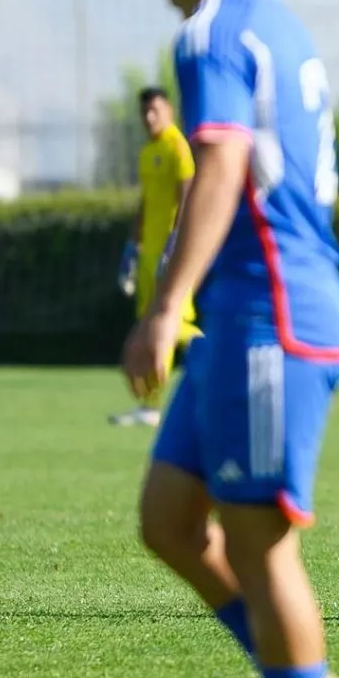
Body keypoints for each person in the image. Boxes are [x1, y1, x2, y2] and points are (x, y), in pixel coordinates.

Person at [123, 0, 339, 678]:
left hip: (274, 317)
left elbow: (217, 168)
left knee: (261, 545)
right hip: (244, 322)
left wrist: (162, 306)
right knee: (170, 522)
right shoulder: (278, 19)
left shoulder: (204, 35)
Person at [111, 87, 199, 427]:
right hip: (149, 253)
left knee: (174, 322)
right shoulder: (148, 152)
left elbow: (189, 194)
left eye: (155, 111)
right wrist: (132, 247)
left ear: (170, 111)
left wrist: (177, 242)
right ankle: (149, 405)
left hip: (172, 255)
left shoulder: (177, 146)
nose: (149, 118)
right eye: (145, 112)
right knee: (150, 327)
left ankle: (221, 354)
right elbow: (146, 203)